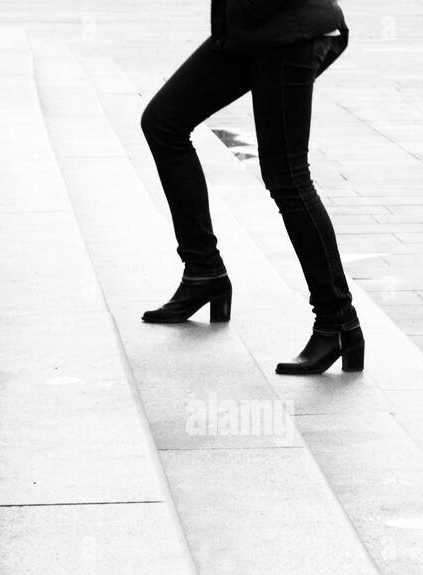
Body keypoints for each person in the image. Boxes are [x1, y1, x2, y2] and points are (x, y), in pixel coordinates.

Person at [139, 0, 364, 375]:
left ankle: (338, 322)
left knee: (287, 176)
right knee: (164, 122)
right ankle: (203, 272)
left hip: (290, 31)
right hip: (250, 29)